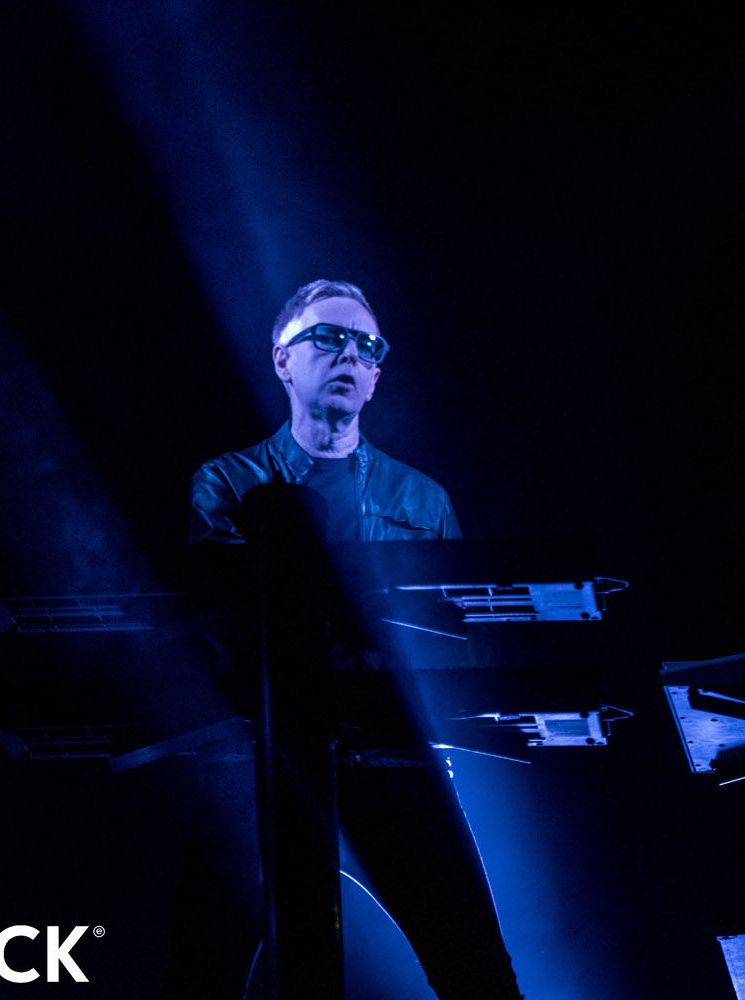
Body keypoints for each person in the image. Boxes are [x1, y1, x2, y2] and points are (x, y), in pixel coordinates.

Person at [188, 279, 524, 999]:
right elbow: (220, 627)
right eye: (328, 337)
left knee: (480, 978)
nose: (350, 355)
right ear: (282, 359)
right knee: (200, 978)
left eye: (367, 346)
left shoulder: (423, 500)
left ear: (376, 376)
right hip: (262, 762)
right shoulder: (227, 481)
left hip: (396, 760)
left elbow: (466, 641)